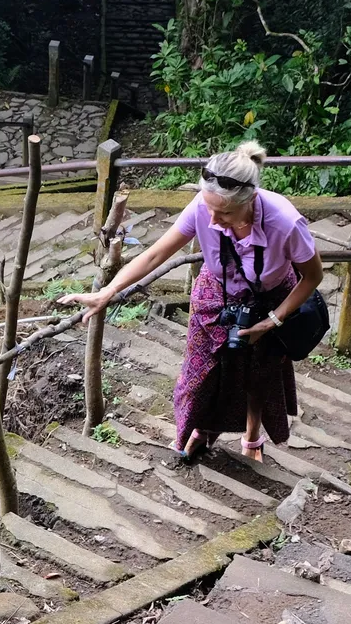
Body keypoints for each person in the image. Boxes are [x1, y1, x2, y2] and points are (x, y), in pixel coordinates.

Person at [59, 142, 323, 462]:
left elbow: (312, 276)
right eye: (209, 209)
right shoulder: (203, 205)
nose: (212, 219)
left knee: (259, 376)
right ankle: (198, 430)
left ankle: (252, 439)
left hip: (270, 301)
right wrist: (108, 292)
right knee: (199, 377)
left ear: (251, 199)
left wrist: (272, 322)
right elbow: (156, 253)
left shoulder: (285, 222)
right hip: (214, 296)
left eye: (224, 213)